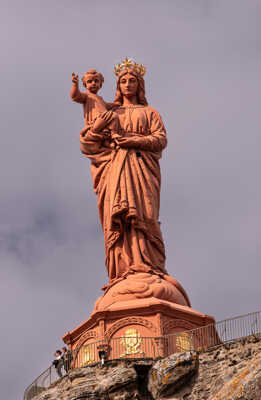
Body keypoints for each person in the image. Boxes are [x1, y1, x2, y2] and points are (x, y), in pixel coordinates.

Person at [79, 60, 168, 286]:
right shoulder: (109, 112)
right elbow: (89, 145)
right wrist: (98, 129)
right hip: (115, 168)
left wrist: (132, 140)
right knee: (118, 217)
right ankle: (123, 269)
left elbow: (160, 139)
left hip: (141, 168)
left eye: (132, 81)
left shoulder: (149, 112)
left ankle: (150, 265)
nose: (128, 85)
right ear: (118, 86)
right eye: (123, 81)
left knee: (145, 214)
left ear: (140, 86)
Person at [70, 69, 120, 146]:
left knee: (113, 118)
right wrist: (75, 85)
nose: (93, 83)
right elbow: (75, 96)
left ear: (100, 84)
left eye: (96, 81)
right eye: (90, 81)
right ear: (85, 85)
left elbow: (108, 105)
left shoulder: (100, 99)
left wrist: (117, 103)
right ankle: (114, 134)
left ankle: (109, 141)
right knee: (112, 115)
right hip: (95, 122)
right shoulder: (86, 95)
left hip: (103, 121)